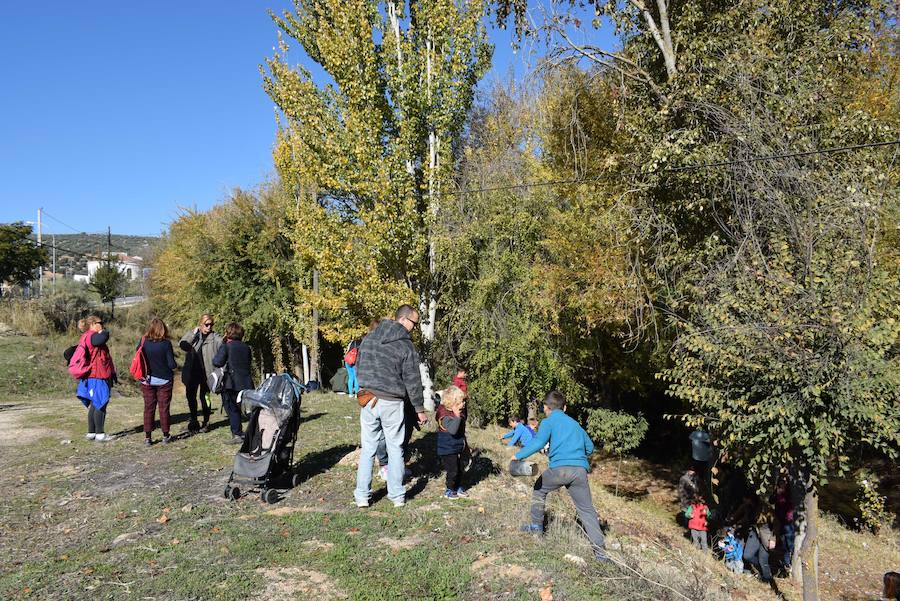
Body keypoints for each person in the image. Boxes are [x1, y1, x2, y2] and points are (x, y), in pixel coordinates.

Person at [515, 390, 609, 563]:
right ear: (564, 408)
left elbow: (538, 442)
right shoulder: (575, 424)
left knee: (539, 490)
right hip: (579, 471)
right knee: (587, 510)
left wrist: (518, 455)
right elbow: (589, 448)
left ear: (545, 408)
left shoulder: (548, 422)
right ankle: (601, 555)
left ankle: (536, 529)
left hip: (559, 469)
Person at [354, 304, 428, 509]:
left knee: (368, 448)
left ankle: (362, 496)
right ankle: (396, 496)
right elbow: (412, 381)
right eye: (415, 323)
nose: (415, 327)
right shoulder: (406, 346)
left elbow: (358, 366)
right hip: (392, 401)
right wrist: (419, 410)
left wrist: (365, 387)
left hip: (368, 399)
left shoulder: (369, 338)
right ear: (403, 320)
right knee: (395, 449)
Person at [179, 314, 222, 433]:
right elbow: (183, 344)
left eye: (211, 324)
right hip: (192, 373)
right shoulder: (194, 335)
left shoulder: (215, 338)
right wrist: (193, 333)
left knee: (205, 397)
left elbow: (223, 352)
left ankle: (206, 421)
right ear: (201, 324)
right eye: (207, 324)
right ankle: (193, 420)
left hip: (207, 374)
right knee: (191, 397)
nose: (209, 327)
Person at [76, 315, 116, 442]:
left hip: (94, 375)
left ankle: (92, 432)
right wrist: (102, 331)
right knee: (101, 403)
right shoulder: (93, 336)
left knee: (95, 404)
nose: (103, 325)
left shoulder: (87, 336)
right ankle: (100, 434)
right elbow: (103, 337)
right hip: (98, 375)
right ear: (93, 324)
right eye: (100, 322)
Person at [212, 323, 254, 444]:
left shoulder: (226, 347)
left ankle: (237, 434)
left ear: (228, 333)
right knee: (247, 409)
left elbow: (217, 362)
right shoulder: (246, 347)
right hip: (246, 382)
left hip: (231, 383)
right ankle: (253, 432)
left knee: (232, 408)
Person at [139, 318, 177, 445]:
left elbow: (138, 357)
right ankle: (165, 435)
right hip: (164, 380)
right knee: (164, 408)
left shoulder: (143, 341)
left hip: (147, 380)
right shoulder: (166, 344)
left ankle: (148, 437)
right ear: (163, 329)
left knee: (148, 408)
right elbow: (171, 364)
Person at [437, 385, 468, 499]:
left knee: (460, 468)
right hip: (447, 448)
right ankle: (449, 489)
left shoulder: (459, 412)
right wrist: (457, 416)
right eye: (461, 402)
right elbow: (453, 430)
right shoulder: (445, 415)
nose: (463, 404)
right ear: (452, 404)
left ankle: (458, 486)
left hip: (458, 445)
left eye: (463, 401)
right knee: (453, 469)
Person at [771, 477, 796, 573]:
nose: (782, 485)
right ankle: (787, 563)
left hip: (788, 520)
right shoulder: (778, 493)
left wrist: (779, 494)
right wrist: (776, 493)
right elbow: (771, 501)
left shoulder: (788, 493)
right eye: (780, 483)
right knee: (784, 543)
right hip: (780, 520)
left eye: (783, 483)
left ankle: (792, 562)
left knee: (790, 543)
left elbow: (785, 503)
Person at [743, 514, 776, 583]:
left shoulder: (769, 507)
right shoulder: (752, 504)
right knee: (747, 555)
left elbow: (777, 523)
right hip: (755, 530)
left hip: (767, 533)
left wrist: (773, 538)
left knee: (763, 560)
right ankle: (760, 569)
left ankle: (767, 580)